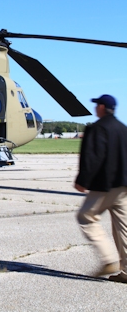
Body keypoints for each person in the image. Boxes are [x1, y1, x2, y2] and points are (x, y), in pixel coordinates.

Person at [75, 94, 127, 282]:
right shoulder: (123, 129)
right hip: (124, 186)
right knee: (123, 228)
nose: (96, 108)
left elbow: (92, 157)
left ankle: (109, 260)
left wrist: (82, 180)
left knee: (85, 216)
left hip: (104, 186)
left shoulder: (97, 129)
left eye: (97, 105)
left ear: (103, 107)